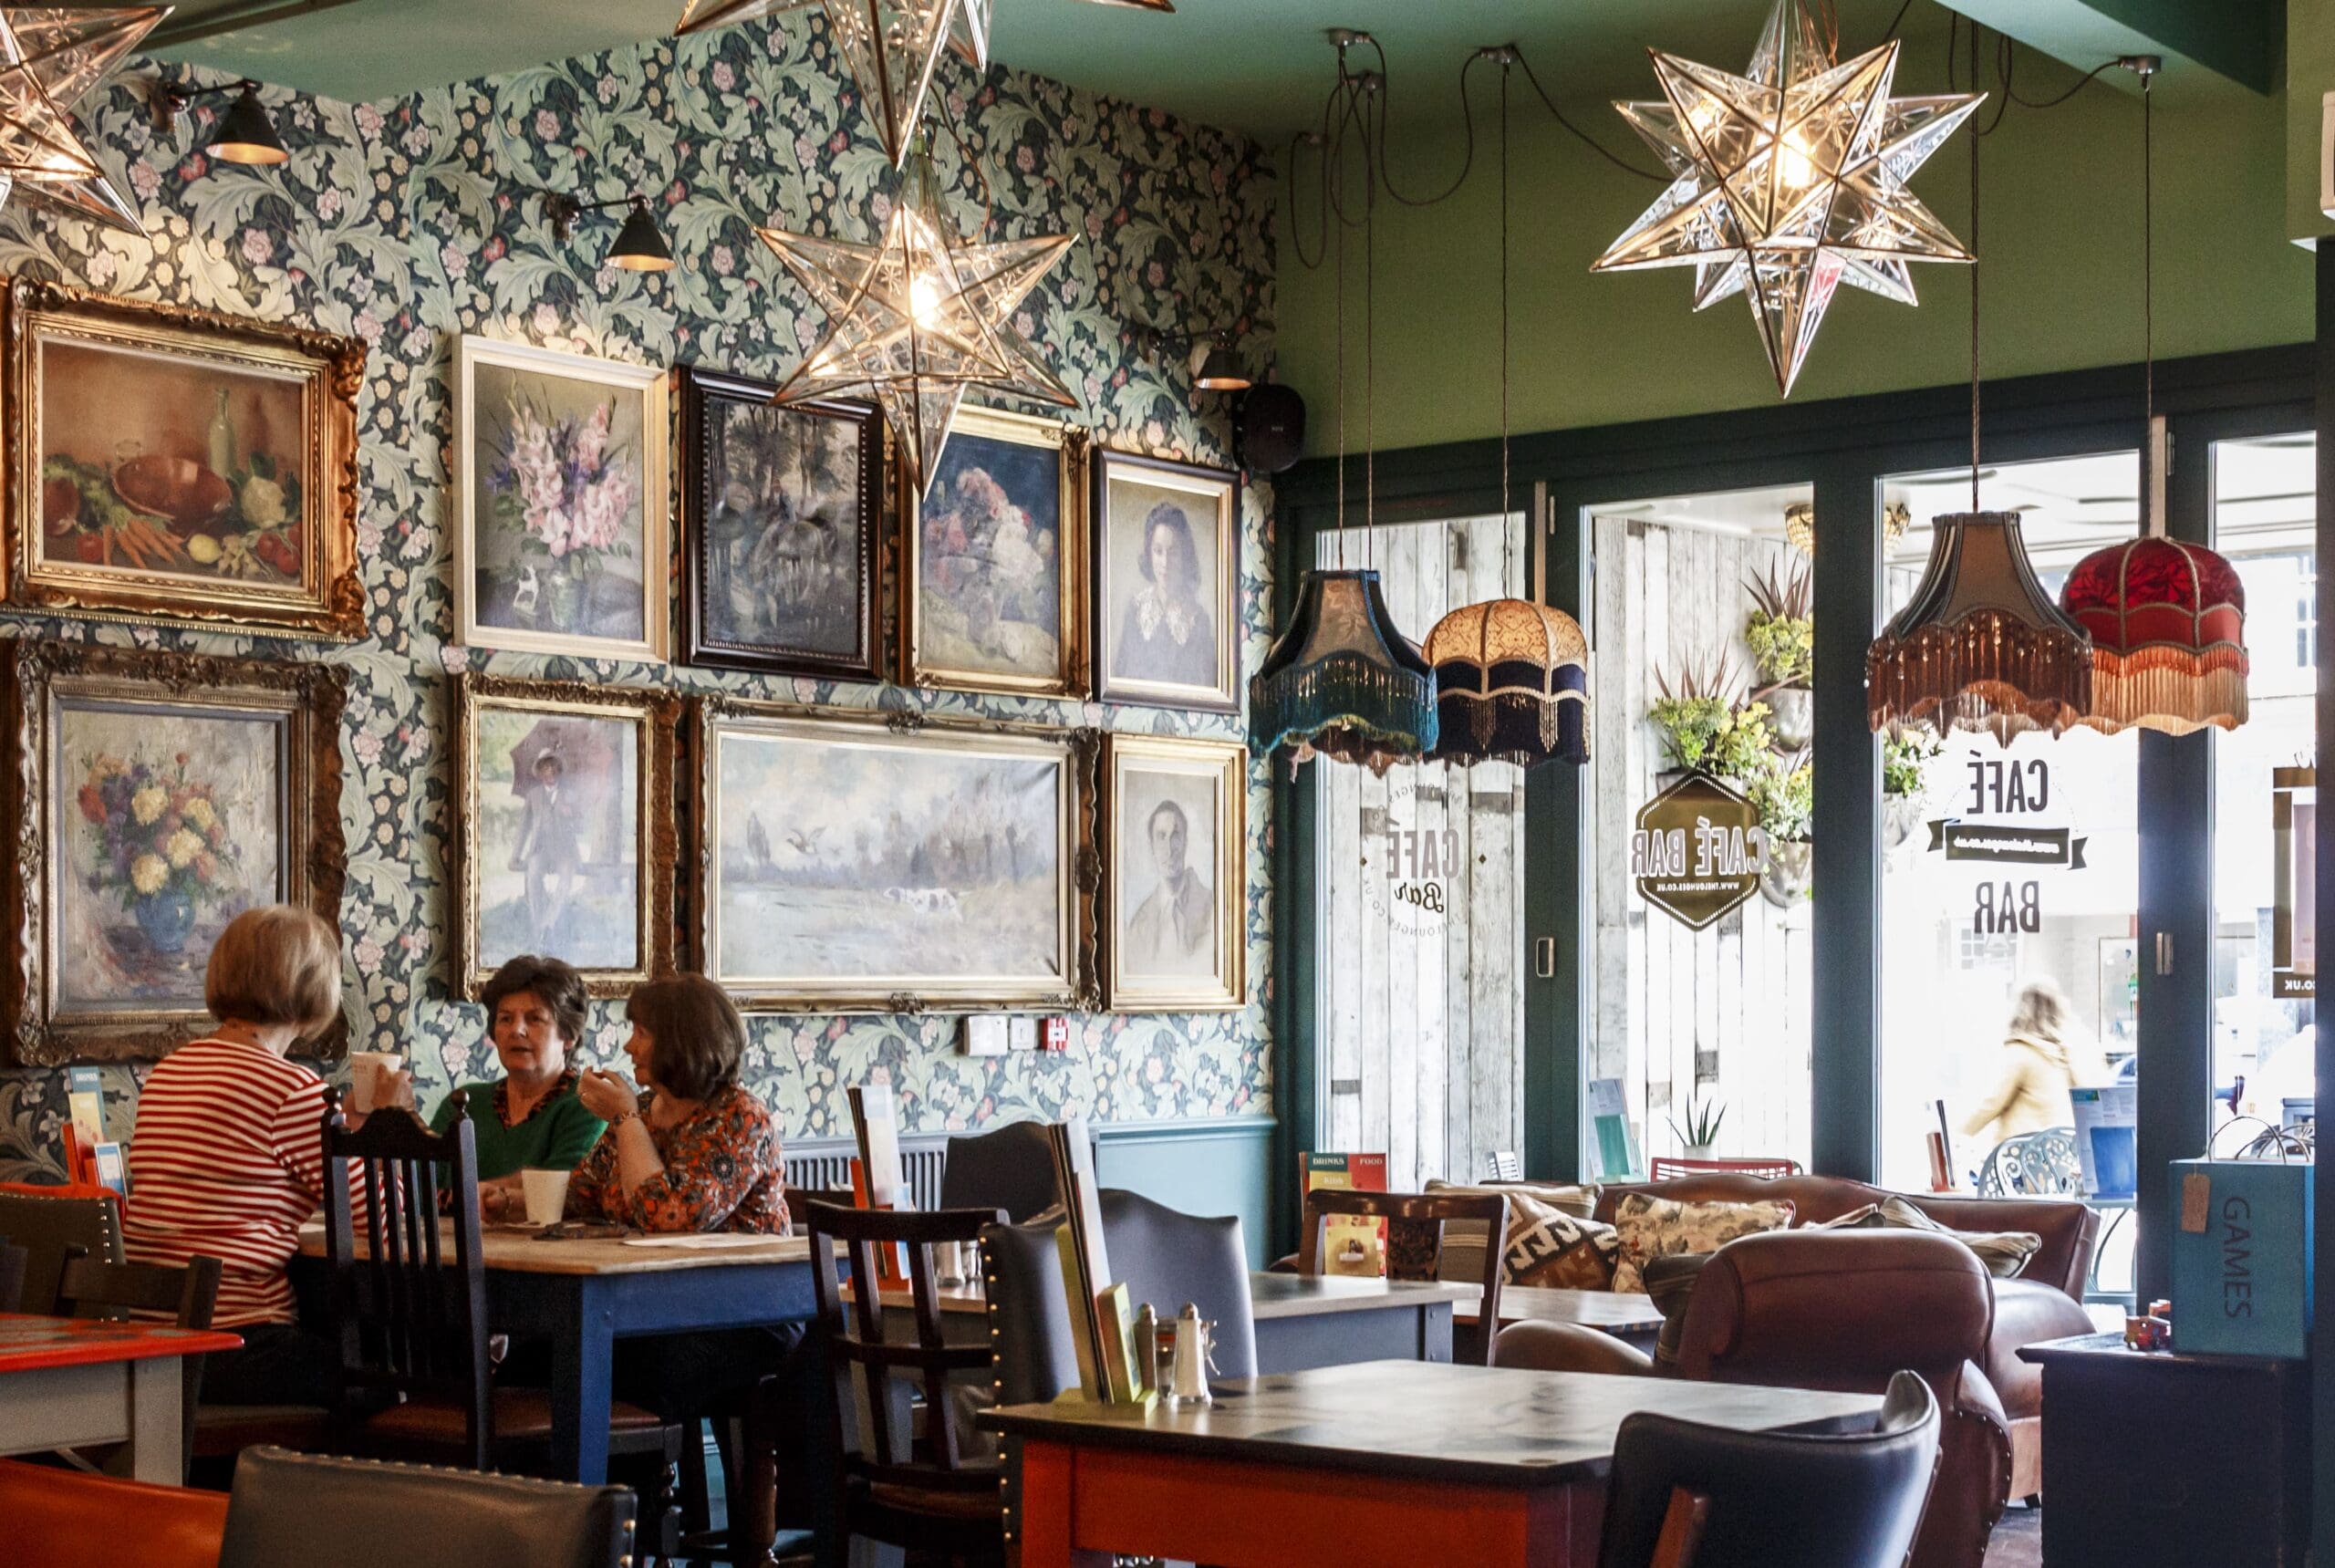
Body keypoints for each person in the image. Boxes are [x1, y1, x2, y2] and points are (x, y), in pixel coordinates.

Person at [122, 904, 411, 1407]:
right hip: (238, 1342)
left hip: (153, 1338)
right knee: (394, 1379)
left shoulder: (169, 1072)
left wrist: (346, 1131)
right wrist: (390, 1125)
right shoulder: (290, 1089)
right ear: (312, 989)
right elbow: (383, 1220)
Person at [430, 953, 606, 1220]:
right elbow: (416, 1188)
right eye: (505, 1019)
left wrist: (467, 1195)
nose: (517, 1030)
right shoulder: (464, 1102)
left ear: (569, 1036)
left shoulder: (587, 1103)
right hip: (449, 1255)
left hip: (546, 1257)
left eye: (535, 1019)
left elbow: (559, 1191)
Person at [1962, 979, 2111, 1147]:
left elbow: (1989, 1105)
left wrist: (1956, 1138)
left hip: (2023, 1158)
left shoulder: (2021, 1052)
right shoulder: (2067, 1051)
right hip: (2060, 1154)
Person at [1113, 500, 1217, 689]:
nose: (1165, 562)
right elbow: (1119, 679)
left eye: (1173, 552)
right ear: (1149, 553)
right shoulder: (1135, 611)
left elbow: (1206, 687)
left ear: (1185, 555)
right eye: (1158, 551)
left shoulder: (1198, 620)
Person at [1125, 798, 1213, 973]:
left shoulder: (1212, 907)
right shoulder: (1138, 925)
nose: (1169, 849)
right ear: (1152, 847)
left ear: (1185, 843)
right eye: (1161, 837)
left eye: (1175, 836)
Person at [512, 751, 582, 947]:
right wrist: (515, 855)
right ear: (540, 772)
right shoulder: (533, 795)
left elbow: (581, 823)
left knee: (567, 878)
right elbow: (523, 827)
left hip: (564, 851)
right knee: (533, 875)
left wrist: (572, 814)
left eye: (553, 767)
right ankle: (537, 927)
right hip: (540, 850)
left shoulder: (569, 794)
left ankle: (548, 923)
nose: (550, 771)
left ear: (559, 770)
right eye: (545, 767)